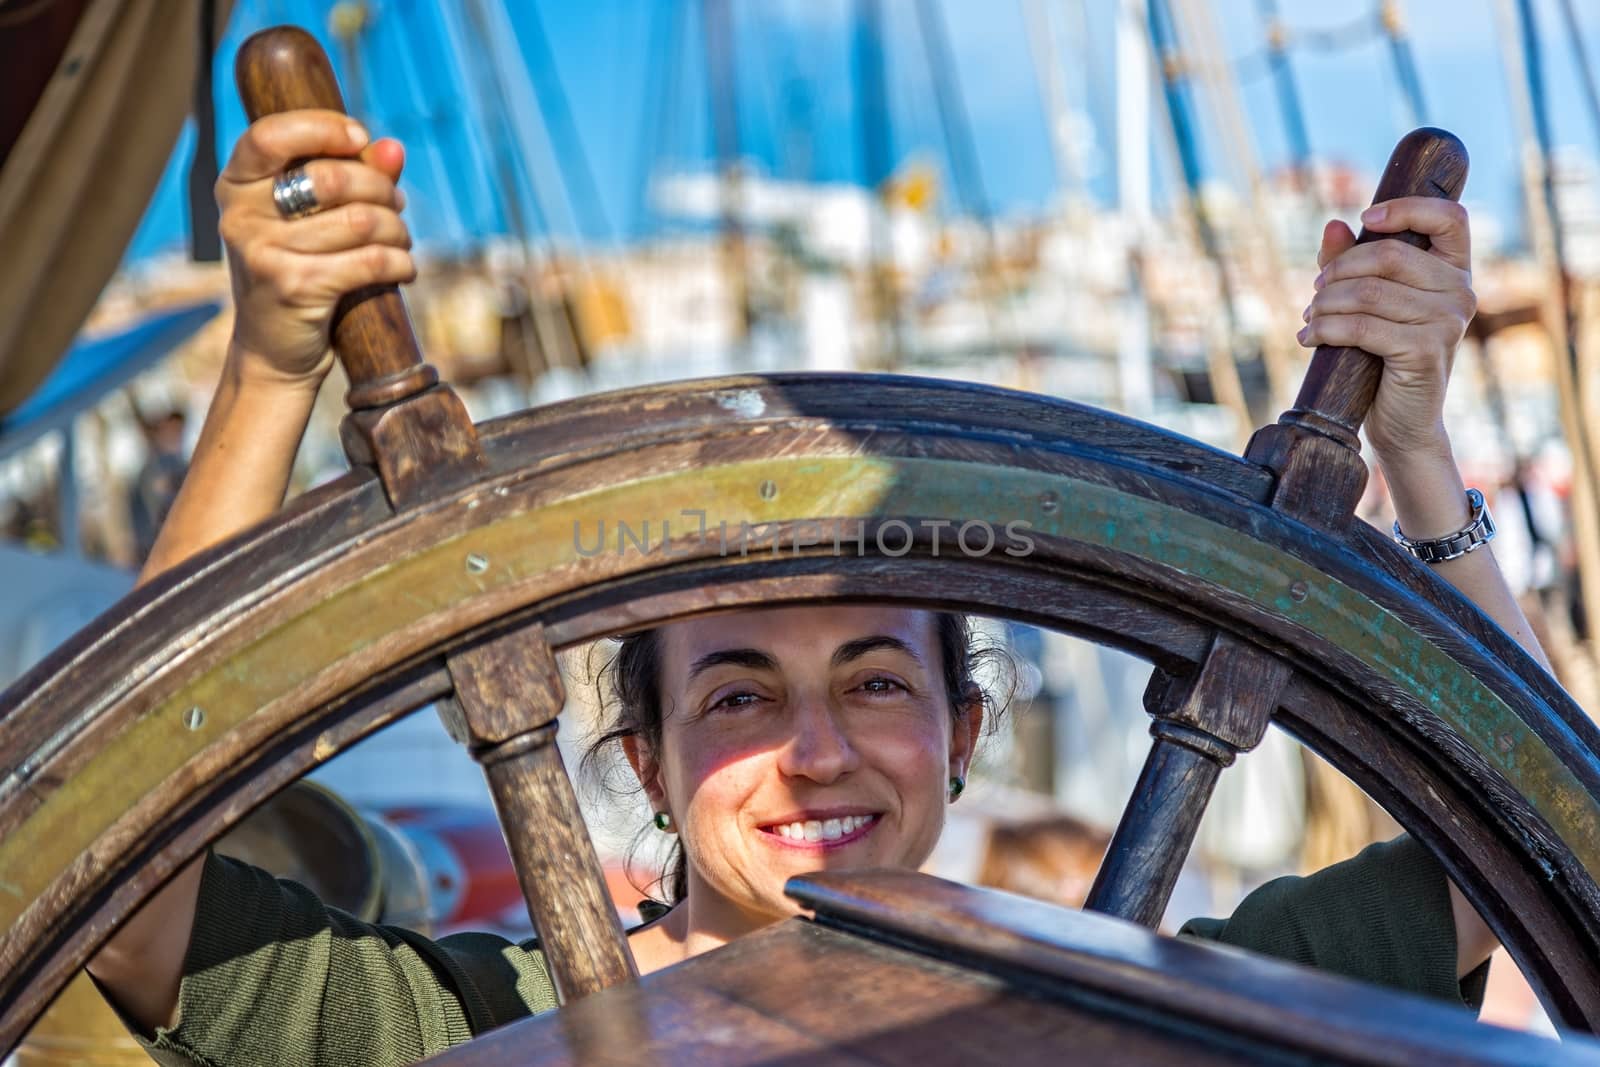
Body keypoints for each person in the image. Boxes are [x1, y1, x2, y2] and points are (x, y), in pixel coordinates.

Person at [86, 111, 1539, 1065]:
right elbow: (115, 901)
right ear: (643, 760)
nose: (819, 750)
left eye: (875, 680)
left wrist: (1414, 446)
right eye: (738, 691)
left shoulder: (1149, 1004)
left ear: (964, 736)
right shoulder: (479, 1024)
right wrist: (268, 369)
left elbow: (1527, 866)